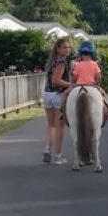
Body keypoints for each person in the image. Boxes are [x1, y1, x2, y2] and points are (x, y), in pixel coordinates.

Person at [41, 37, 74, 165]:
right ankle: (58, 156)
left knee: (51, 125)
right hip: (57, 96)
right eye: (64, 47)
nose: (67, 50)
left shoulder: (52, 62)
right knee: (60, 127)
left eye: (68, 47)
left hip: (47, 94)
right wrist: (70, 85)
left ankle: (47, 148)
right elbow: (56, 81)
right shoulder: (61, 63)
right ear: (58, 49)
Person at [69, 41, 108, 126]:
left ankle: (62, 113)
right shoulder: (94, 64)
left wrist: (74, 82)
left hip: (79, 86)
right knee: (104, 95)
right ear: (92, 54)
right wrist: (98, 84)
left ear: (81, 54)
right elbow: (99, 76)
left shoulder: (78, 65)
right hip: (92, 86)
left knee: (66, 95)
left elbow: (74, 77)